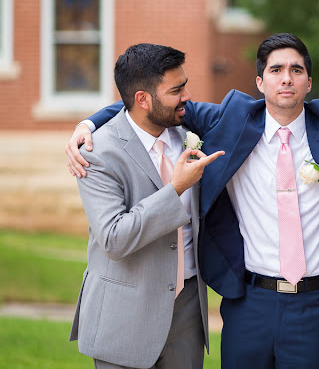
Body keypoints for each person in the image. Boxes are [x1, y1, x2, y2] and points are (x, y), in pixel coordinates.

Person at [65, 34, 319, 368]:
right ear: (259, 82)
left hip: (316, 304)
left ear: (309, 83)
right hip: (249, 301)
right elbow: (147, 103)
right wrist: (88, 122)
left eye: (296, 70)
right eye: (276, 70)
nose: (286, 78)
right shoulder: (228, 119)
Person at [69, 43, 224, 368]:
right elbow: (114, 238)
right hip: (124, 312)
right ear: (143, 99)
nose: (187, 96)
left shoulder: (190, 133)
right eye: (176, 90)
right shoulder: (97, 153)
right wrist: (176, 188)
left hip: (187, 311)